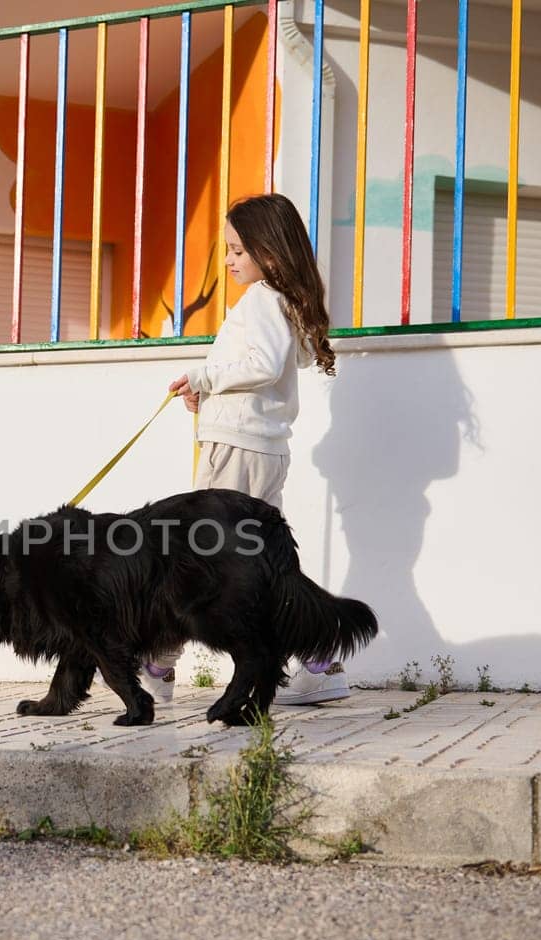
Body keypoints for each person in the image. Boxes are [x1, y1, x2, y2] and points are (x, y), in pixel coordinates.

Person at [148, 192, 349, 708]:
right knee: (264, 564)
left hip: (236, 451)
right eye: (229, 250)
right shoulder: (283, 303)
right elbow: (267, 374)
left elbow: (259, 365)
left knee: (195, 558)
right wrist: (209, 395)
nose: (230, 260)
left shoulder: (260, 301)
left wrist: (203, 376)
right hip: (261, 449)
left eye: (238, 250)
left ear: (270, 253)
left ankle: (156, 661)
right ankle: (321, 661)